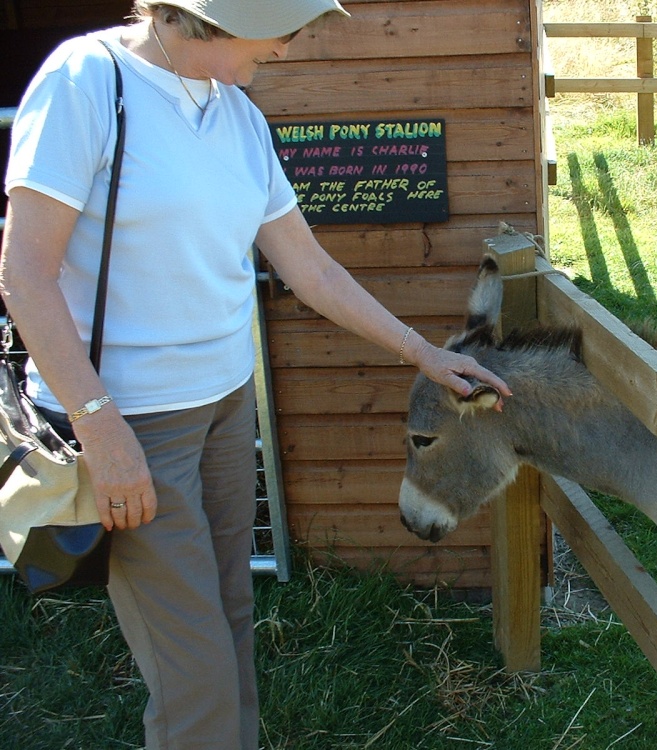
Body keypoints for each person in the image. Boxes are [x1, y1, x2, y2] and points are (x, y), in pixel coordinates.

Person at [0, 1, 512, 747]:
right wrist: (101, 428)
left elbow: (307, 266)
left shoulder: (236, 112)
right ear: (221, 16)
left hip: (223, 408)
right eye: (281, 32)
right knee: (193, 667)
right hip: (130, 422)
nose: (286, 51)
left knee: (230, 615)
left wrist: (425, 354)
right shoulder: (86, 80)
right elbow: (24, 275)